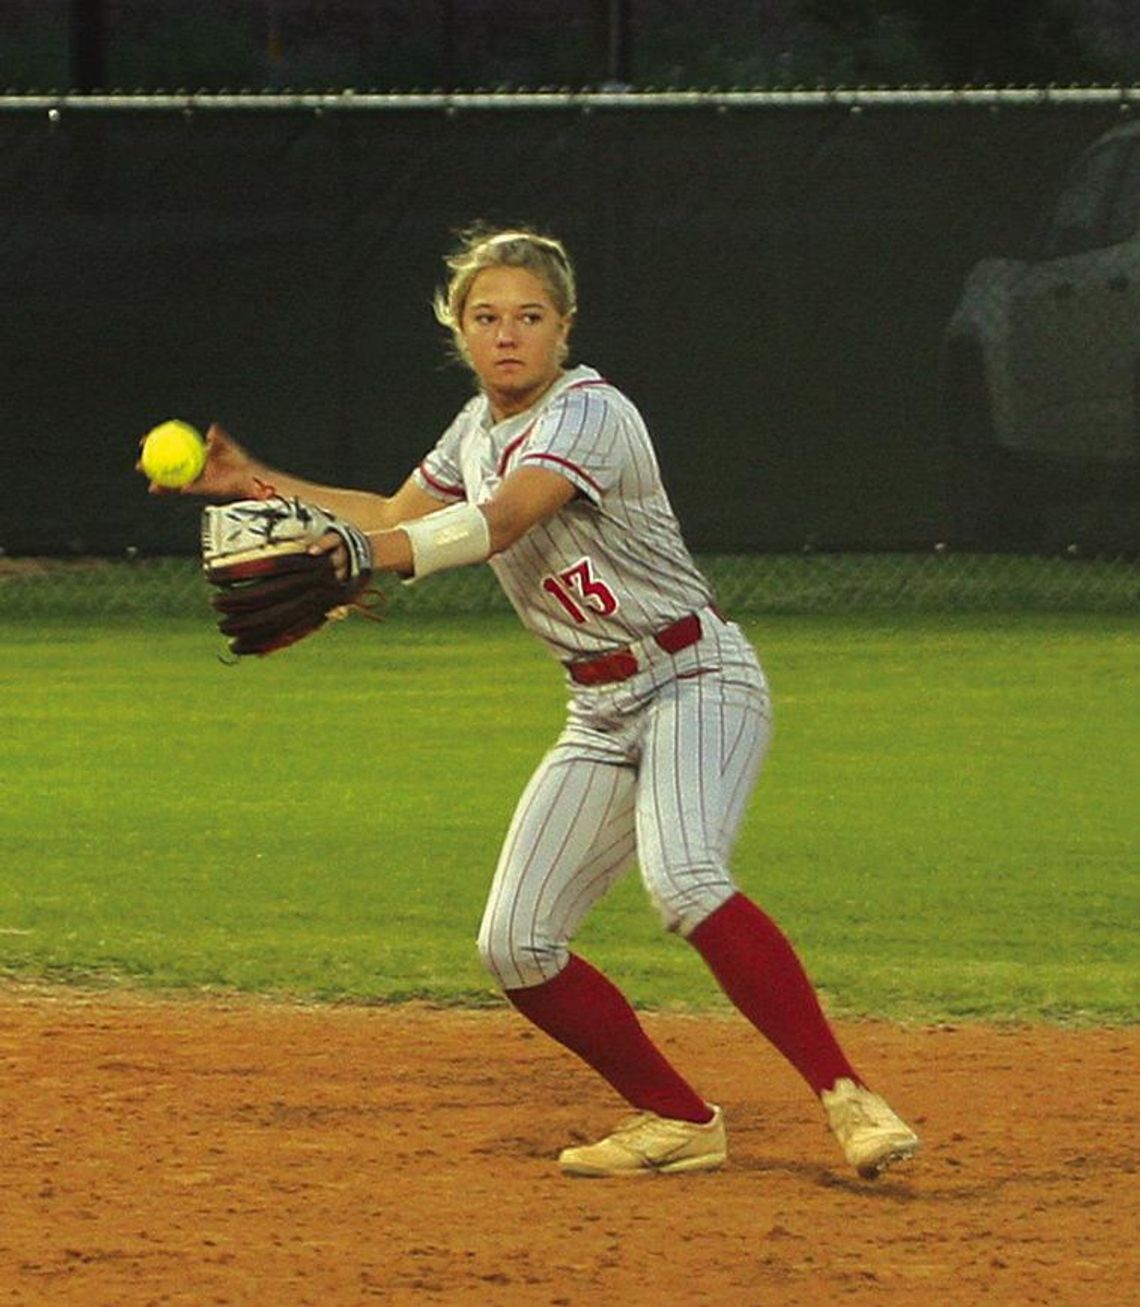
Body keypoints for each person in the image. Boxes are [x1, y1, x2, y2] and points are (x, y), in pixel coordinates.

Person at [149, 226, 920, 1179]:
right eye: (486, 317)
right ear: (459, 331)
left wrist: (364, 558)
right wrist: (254, 483)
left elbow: (502, 519)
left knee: (683, 878)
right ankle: (678, 1118)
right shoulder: (475, 431)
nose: (507, 334)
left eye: (528, 317)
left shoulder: (591, 413)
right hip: (597, 709)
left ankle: (851, 1101)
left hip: (695, 677)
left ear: (563, 328)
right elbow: (393, 517)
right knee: (515, 944)